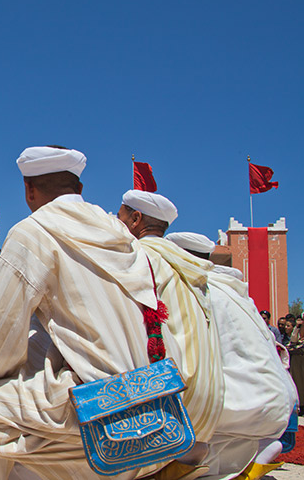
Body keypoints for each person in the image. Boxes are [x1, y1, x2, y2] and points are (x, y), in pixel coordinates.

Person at [0, 146, 161, 479]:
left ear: (29, 190)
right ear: (80, 190)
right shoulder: (121, 236)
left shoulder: (35, 232)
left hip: (101, 419)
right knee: (37, 346)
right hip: (154, 416)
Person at [165, 232, 297, 477]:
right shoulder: (236, 293)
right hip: (278, 402)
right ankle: (255, 458)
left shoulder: (198, 292)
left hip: (238, 406)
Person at [117, 190, 225, 470]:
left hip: (175, 403)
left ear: (136, 219)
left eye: (120, 217)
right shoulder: (190, 266)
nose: (117, 223)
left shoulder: (139, 256)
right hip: (210, 406)